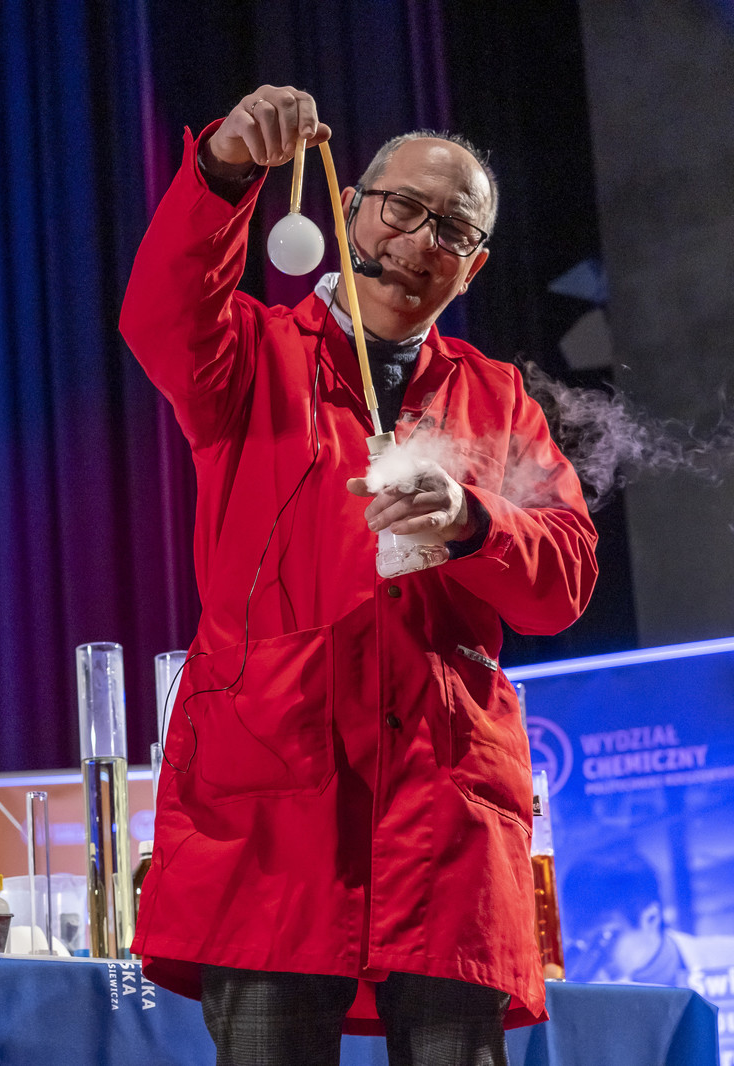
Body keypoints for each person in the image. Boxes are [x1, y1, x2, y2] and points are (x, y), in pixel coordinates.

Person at [120, 86, 599, 1064]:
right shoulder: (249, 354)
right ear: (347, 208)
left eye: (451, 228)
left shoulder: (496, 398)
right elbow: (160, 311)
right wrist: (223, 170)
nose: (418, 240)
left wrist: (475, 523)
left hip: (444, 817)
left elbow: (564, 580)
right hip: (272, 813)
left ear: (473, 264)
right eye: (401, 207)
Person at [563, 850, 734, 987]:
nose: (594, 956)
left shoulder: (727, 961)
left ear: (651, 918)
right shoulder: (589, 996)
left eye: (604, 937)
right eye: (582, 943)